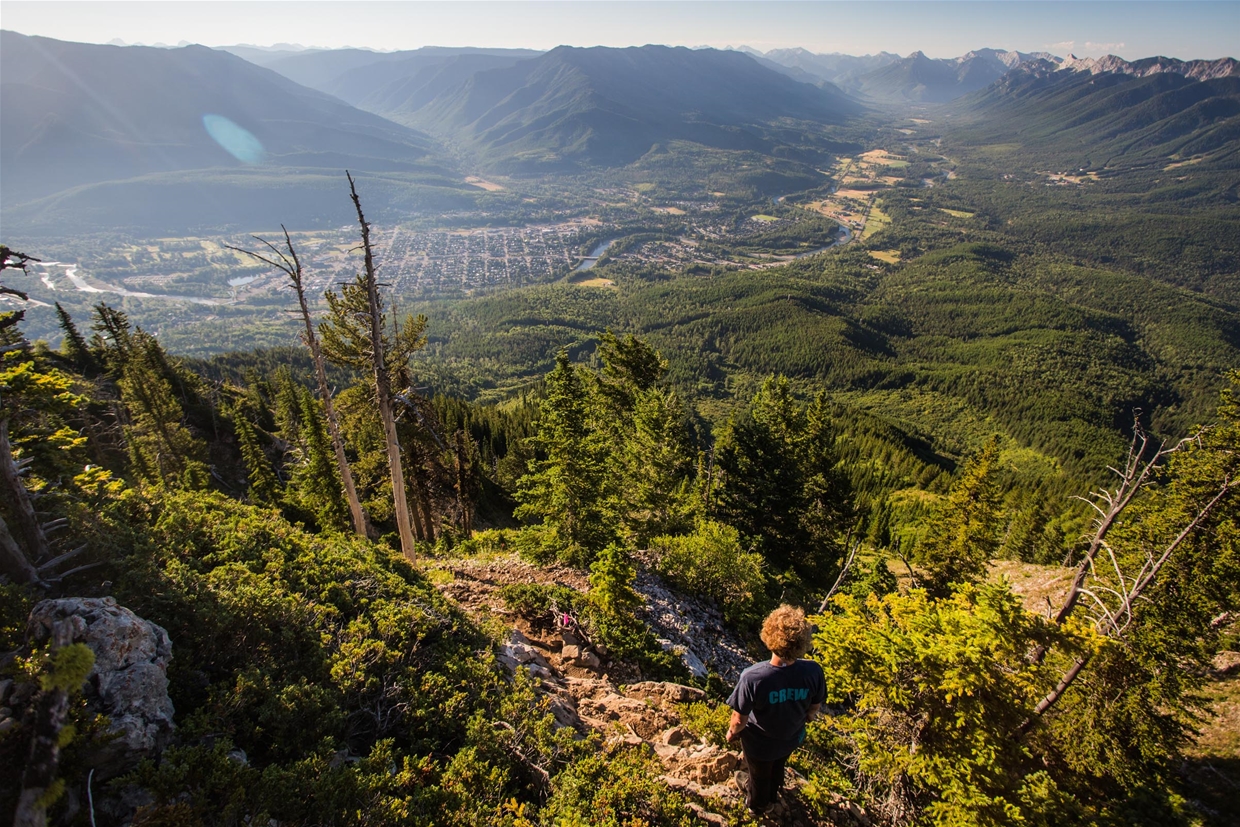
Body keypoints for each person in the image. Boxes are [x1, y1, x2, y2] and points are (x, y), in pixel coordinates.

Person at [726, 605, 825, 815]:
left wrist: (732, 733)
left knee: (759, 774)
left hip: (760, 742)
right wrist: (805, 717)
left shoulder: (753, 677)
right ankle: (775, 786)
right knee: (779, 762)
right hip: (792, 736)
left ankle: (759, 804)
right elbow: (814, 707)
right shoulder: (813, 671)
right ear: (802, 643)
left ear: (769, 636)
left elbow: (739, 719)